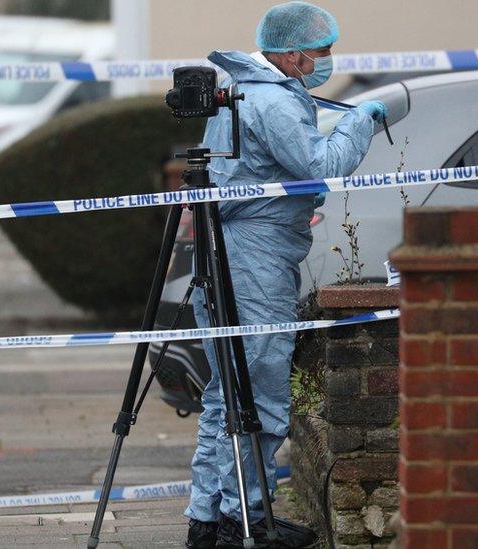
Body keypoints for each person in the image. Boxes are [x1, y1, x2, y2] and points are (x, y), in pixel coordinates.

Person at [184, 3, 387, 547]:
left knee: (225, 393)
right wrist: (358, 123)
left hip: (233, 244)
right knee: (260, 391)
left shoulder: (245, 87)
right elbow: (320, 165)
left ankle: (209, 519)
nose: (326, 62)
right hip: (256, 258)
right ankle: (247, 522)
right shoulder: (272, 100)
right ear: (294, 53)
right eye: (322, 53)